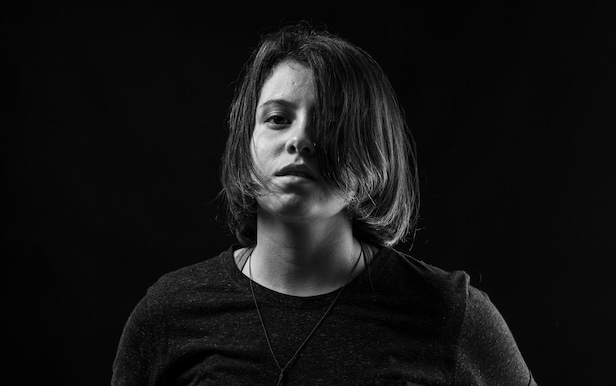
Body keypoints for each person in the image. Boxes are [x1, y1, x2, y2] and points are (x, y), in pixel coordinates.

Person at [111, 22, 537, 385]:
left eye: (330, 122)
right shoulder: (170, 312)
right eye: (277, 119)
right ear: (246, 143)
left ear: (372, 150)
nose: (299, 140)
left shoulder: (450, 314)